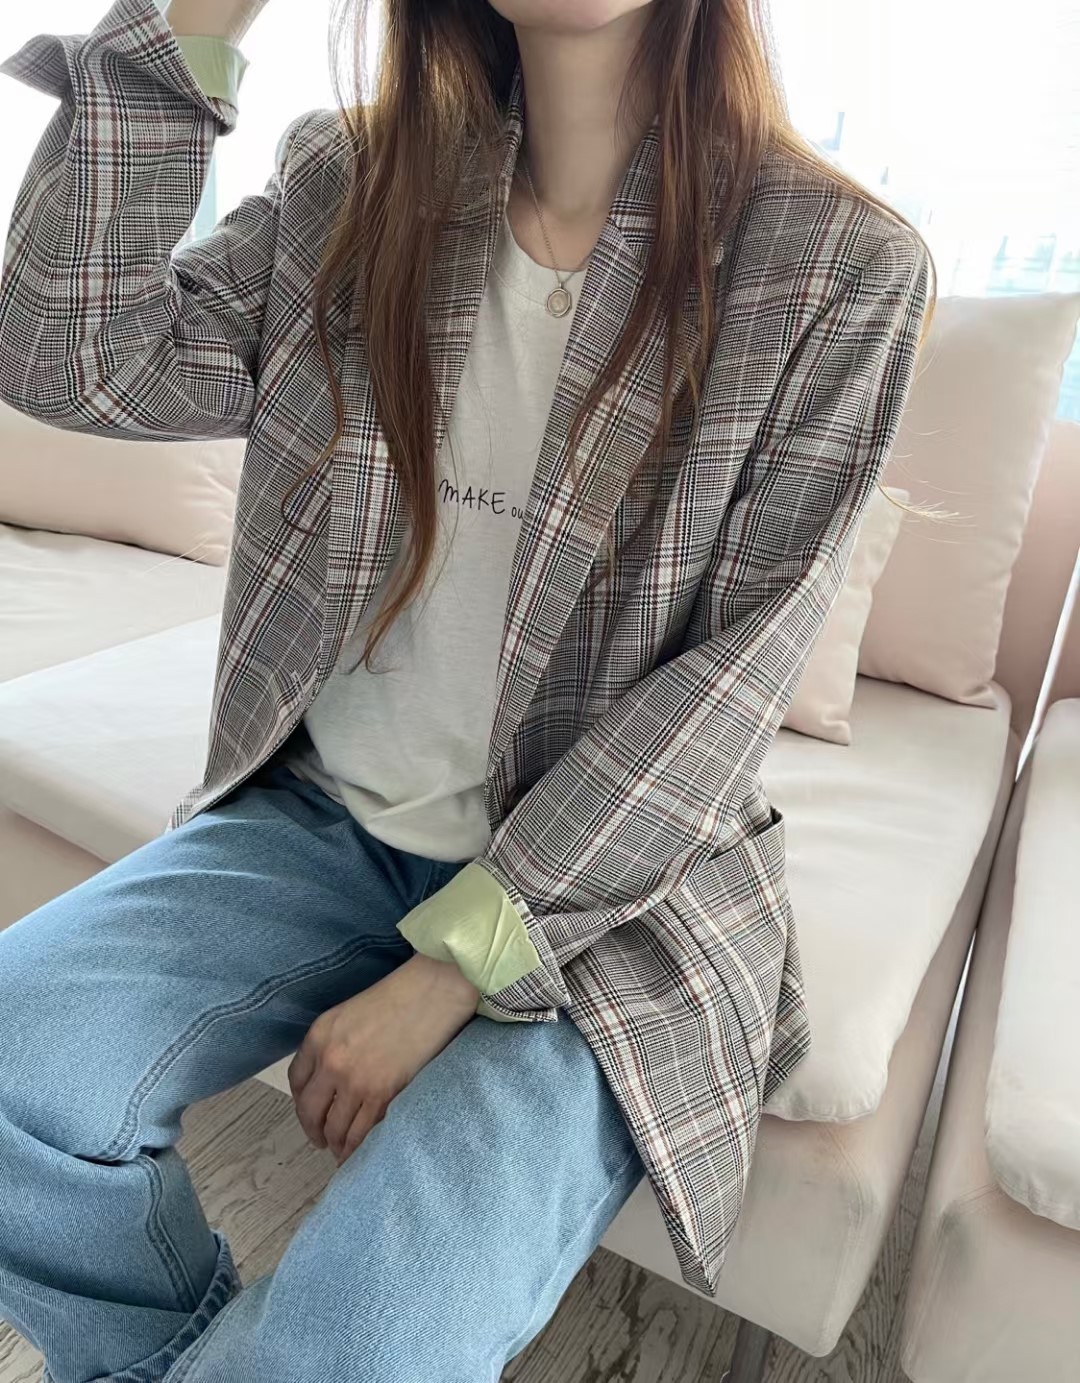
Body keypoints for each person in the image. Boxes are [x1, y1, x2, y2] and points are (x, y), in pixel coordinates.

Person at [0, 0, 934, 1379]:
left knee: (354, 1347)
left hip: (610, 901)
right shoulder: (353, 185)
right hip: (323, 826)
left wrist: (456, 965)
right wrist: (192, 20)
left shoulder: (838, 263)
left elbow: (730, 685)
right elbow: (74, 356)